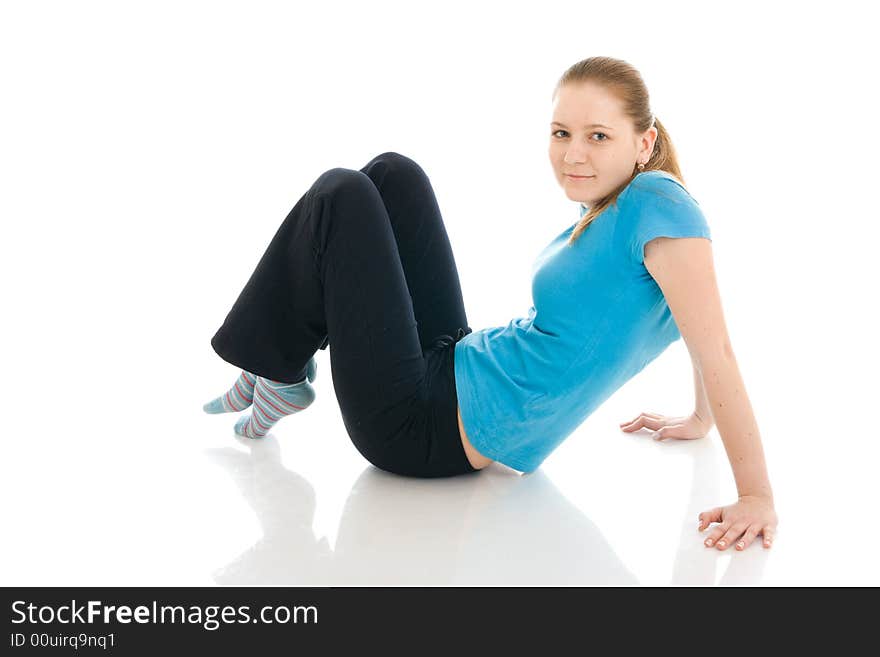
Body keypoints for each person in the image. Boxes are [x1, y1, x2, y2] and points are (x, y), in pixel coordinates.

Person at [204, 55, 778, 552]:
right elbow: (695, 326)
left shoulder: (658, 207)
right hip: (454, 364)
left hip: (423, 430)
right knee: (393, 174)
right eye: (561, 133)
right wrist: (699, 418)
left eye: (598, 136)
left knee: (340, 193)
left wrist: (755, 495)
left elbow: (716, 345)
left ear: (644, 142)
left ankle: (275, 369)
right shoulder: (627, 206)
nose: (573, 154)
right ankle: (276, 364)